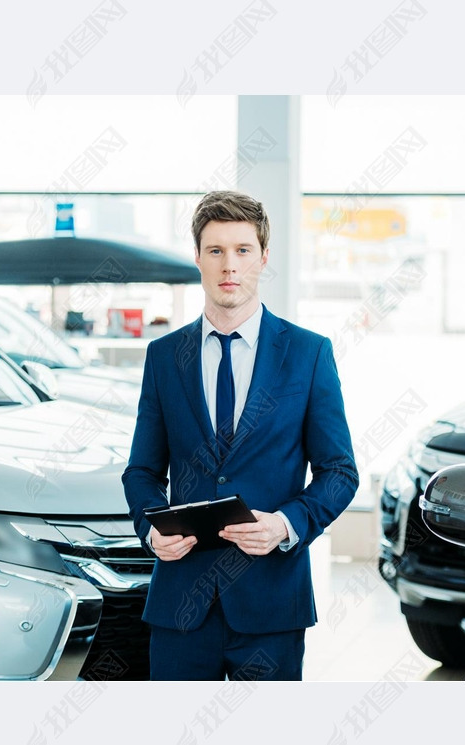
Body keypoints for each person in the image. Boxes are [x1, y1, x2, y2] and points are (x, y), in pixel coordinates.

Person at [122, 190, 358, 681]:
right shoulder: (165, 357)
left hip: (271, 602)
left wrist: (287, 525)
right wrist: (150, 530)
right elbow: (142, 471)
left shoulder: (308, 354)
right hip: (180, 606)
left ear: (263, 258)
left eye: (243, 250)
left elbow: (339, 472)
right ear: (199, 259)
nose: (230, 265)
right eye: (216, 251)